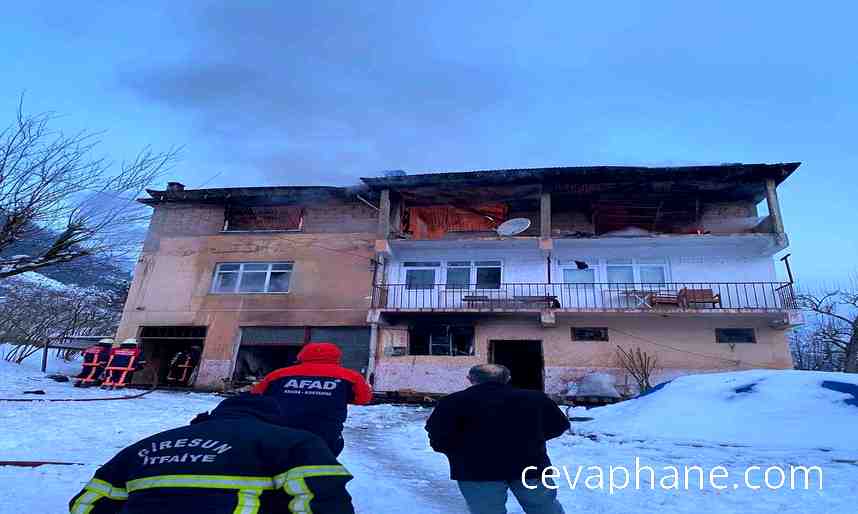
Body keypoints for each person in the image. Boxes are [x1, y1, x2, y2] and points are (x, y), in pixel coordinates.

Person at [69, 394, 355, 514]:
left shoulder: (146, 445)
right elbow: (324, 501)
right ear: (273, 421)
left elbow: (87, 503)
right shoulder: (295, 442)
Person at [425, 364, 570, 514]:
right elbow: (559, 426)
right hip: (531, 465)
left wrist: (459, 452)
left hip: (476, 470)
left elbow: (438, 436)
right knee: (545, 508)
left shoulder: (451, 401)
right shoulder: (536, 398)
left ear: (470, 379)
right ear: (508, 379)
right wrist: (533, 440)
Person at [252, 342, 372, 456]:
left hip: (281, 431)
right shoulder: (351, 376)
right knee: (319, 467)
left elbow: (256, 395)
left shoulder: (277, 374)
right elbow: (363, 399)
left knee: (278, 464)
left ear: (302, 355)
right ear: (336, 356)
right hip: (325, 435)